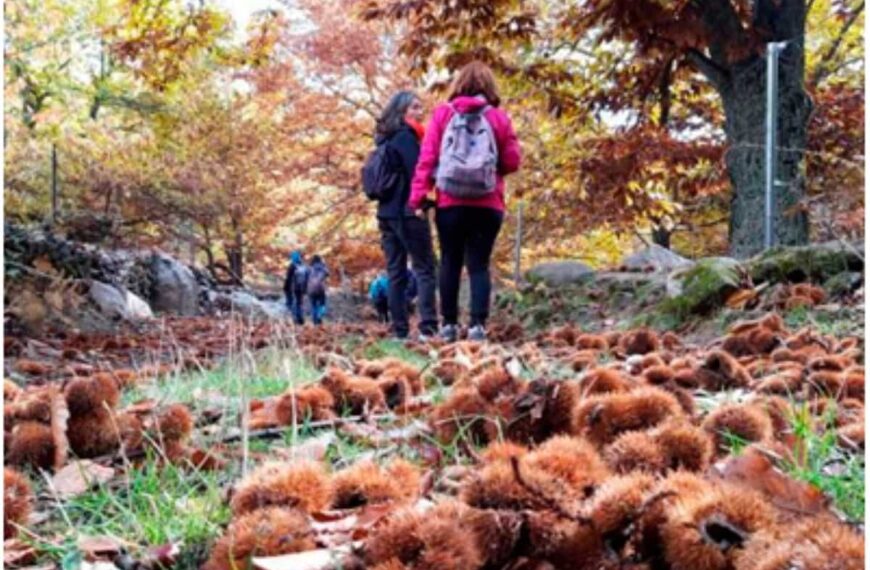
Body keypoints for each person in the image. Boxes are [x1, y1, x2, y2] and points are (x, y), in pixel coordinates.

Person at [409, 61, 522, 342]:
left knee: (450, 261)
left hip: (450, 202)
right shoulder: (498, 117)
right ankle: (477, 326)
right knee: (479, 265)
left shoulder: (443, 115)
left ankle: (448, 325)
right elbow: (512, 161)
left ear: (458, 85)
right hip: (488, 203)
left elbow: (427, 159)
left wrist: (419, 197)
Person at [372, 90, 439, 341]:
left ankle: (399, 330)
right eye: (415, 108)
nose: (420, 113)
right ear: (401, 111)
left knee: (395, 273)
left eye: (421, 108)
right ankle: (428, 328)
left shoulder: (384, 140)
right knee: (424, 268)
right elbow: (417, 174)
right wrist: (424, 203)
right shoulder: (406, 137)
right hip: (408, 212)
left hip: (386, 214)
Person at [284, 250, 309, 325]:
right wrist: (305, 289)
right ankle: (300, 318)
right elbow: (307, 278)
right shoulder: (304, 266)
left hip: (293, 288)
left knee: (292, 303)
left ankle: (294, 319)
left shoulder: (292, 266)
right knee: (300, 303)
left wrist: (286, 288)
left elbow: (288, 279)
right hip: (301, 288)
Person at [307, 254, 330, 325]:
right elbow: (328, 273)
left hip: (311, 289)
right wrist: (324, 264)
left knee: (313, 305)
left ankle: (315, 321)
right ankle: (320, 315)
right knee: (322, 304)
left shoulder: (310, 268)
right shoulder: (322, 267)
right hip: (320, 289)